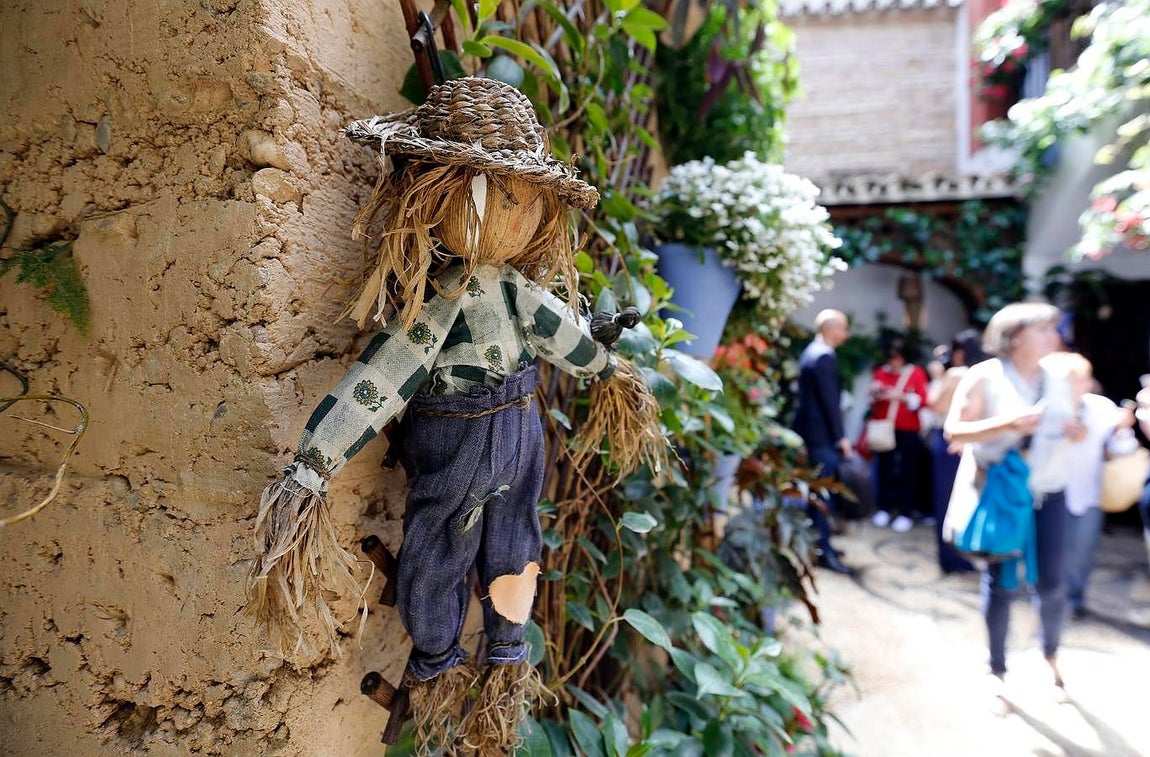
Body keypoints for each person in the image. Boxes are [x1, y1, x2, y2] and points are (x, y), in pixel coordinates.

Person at [944, 302, 1085, 686]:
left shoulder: (1060, 376)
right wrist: (1007, 424)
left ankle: (1050, 653)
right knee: (1002, 583)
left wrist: (1076, 431)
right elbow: (954, 431)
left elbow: (1074, 423)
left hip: (1049, 490)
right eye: (1044, 329)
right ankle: (997, 668)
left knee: (1052, 583)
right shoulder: (985, 376)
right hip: (1004, 493)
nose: (1054, 336)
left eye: (1053, 329)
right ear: (1015, 336)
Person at [1044, 352, 1138, 620]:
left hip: (1089, 495)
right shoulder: (1044, 408)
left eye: (1086, 377)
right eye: (1079, 379)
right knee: (1051, 551)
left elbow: (1122, 447)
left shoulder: (1101, 407)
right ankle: (1049, 599)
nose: (1086, 383)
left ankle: (1074, 599)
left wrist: (1122, 428)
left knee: (1082, 552)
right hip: (1051, 494)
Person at [793, 309, 855, 574]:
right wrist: (841, 437)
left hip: (812, 433)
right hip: (821, 436)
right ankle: (823, 550)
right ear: (831, 329)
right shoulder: (824, 356)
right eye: (843, 328)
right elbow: (830, 403)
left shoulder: (812, 351)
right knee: (823, 493)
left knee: (817, 491)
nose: (846, 334)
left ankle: (818, 544)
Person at [926, 329, 985, 573]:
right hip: (974, 441)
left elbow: (934, 404)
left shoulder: (955, 374)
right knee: (969, 497)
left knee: (945, 500)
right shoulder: (984, 374)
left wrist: (937, 376)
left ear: (959, 353)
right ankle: (967, 552)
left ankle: (950, 557)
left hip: (949, 441)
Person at [868, 339, 928, 533]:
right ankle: (884, 508)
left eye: (897, 358)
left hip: (908, 429)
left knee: (908, 470)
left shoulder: (915, 372)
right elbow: (872, 401)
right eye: (891, 357)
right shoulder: (881, 372)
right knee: (884, 468)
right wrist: (877, 393)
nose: (894, 362)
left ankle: (905, 512)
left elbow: (923, 400)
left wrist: (899, 396)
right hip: (885, 428)